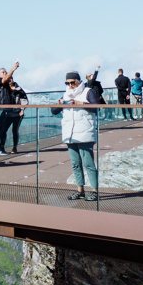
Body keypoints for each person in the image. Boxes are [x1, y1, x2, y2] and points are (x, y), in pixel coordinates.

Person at [53, 70, 101, 202]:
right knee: (75, 163)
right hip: (70, 134)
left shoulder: (88, 91)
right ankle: (80, 190)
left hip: (85, 133)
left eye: (72, 82)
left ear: (78, 81)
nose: (70, 85)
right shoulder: (66, 94)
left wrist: (81, 104)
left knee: (88, 163)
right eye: (67, 83)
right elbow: (54, 111)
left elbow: (96, 107)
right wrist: (60, 104)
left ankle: (95, 191)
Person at [0, 61, 20, 156]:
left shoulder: (7, 85)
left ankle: (1, 148)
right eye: (3, 72)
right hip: (0, 109)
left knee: (3, 130)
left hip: (8, 110)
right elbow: (5, 78)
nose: (5, 73)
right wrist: (13, 69)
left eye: (5, 72)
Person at [8, 79, 28, 153]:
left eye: (11, 79)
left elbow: (25, 99)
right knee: (3, 130)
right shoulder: (5, 88)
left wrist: (22, 110)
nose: (10, 80)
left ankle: (14, 147)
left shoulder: (19, 89)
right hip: (8, 112)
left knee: (15, 130)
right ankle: (1, 147)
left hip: (18, 113)